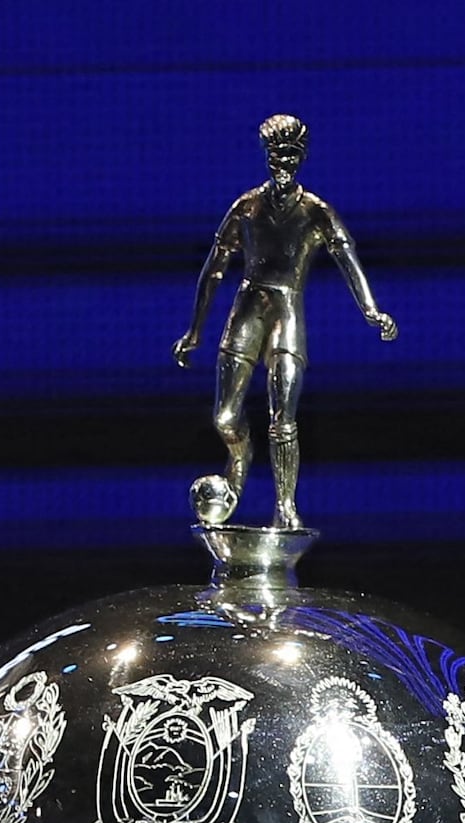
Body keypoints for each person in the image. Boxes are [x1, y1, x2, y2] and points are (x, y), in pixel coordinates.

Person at [175, 116, 395, 531]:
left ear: (303, 157)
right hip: (247, 309)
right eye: (276, 153)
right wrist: (195, 332)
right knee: (224, 418)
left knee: (283, 419)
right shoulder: (247, 207)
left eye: (291, 154)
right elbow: (214, 270)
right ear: (266, 155)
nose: (283, 161)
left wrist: (370, 310)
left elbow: (346, 259)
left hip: (286, 312)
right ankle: (238, 464)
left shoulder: (316, 212)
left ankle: (285, 506)